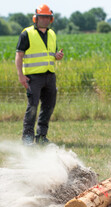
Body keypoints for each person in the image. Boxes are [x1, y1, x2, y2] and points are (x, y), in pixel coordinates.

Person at [15, 4, 64, 145]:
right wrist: (20, 75)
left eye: (47, 17)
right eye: (42, 16)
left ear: (51, 19)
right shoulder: (27, 33)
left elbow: (50, 54)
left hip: (50, 76)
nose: (44, 19)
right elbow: (19, 55)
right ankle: (27, 138)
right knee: (33, 106)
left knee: (49, 106)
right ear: (35, 18)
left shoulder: (52, 34)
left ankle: (41, 136)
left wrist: (57, 56)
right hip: (33, 77)